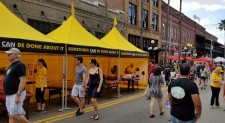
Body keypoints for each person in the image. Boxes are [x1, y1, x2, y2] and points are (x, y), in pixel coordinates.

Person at [3, 48, 30, 123]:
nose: (7, 55)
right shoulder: (12, 65)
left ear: (15, 55)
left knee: (13, 115)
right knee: (11, 114)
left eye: (9, 54)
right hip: (10, 94)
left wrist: (18, 95)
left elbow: (23, 80)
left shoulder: (20, 65)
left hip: (15, 94)